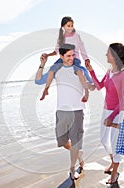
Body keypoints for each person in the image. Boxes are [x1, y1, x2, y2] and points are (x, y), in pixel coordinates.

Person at [86, 43, 124, 184]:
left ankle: (114, 172)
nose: (106, 55)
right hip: (106, 109)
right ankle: (114, 162)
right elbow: (100, 86)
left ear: (115, 55)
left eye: (108, 53)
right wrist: (91, 71)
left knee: (115, 144)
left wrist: (111, 117)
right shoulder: (110, 71)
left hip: (119, 112)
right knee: (103, 139)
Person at [38, 43, 88, 180]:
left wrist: (88, 91)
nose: (71, 58)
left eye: (73, 55)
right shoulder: (56, 69)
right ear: (61, 56)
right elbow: (38, 80)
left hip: (77, 110)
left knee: (76, 141)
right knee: (63, 141)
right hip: (61, 111)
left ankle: (72, 168)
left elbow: (87, 84)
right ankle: (78, 154)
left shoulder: (78, 69)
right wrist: (42, 64)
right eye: (68, 56)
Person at [35, 16, 94, 102]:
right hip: (62, 60)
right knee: (52, 70)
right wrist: (48, 55)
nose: (70, 28)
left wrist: (86, 59)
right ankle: (46, 89)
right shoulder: (61, 38)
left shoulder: (76, 36)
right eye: (68, 26)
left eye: (71, 25)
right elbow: (56, 51)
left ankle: (87, 88)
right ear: (63, 27)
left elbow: (82, 48)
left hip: (75, 59)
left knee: (79, 71)